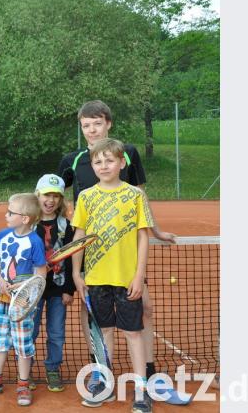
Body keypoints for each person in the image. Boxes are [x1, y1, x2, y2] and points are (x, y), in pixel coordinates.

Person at [56, 100, 187, 404]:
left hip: (126, 253)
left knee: (144, 310)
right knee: (95, 318)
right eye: (86, 125)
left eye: (97, 124)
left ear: (108, 124)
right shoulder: (72, 160)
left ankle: (149, 377)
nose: (91, 130)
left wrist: (154, 231)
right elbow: (54, 196)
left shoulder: (126, 152)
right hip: (89, 249)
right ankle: (102, 375)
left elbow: (141, 195)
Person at [70, 138, 151, 412]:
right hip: (95, 279)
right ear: (92, 166)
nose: (104, 165)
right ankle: (104, 383)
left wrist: (138, 276)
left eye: (109, 160)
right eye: (98, 161)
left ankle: (141, 391)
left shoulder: (135, 196)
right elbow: (79, 236)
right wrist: (76, 274)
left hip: (127, 279)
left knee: (133, 333)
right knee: (103, 332)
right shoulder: (86, 197)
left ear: (121, 163)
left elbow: (143, 237)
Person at [0, 193, 47, 407]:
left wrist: (26, 292)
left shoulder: (35, 242)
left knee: (23, 344)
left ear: (25, 218)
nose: (6, 214)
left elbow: (41, 275)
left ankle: (23, 384)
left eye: (11, 212)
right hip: (2, 300)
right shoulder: (3, 235)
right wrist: (1, 281)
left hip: (23, 304)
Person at [31, 174, 76, 393]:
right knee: (30, 331)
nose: (51, 200)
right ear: (37, 195)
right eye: (47, 195)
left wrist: (69, 289)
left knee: (56, 332)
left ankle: (53, 368)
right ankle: (25, 370)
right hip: (33, 288)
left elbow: (70, 257)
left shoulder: (65, 225)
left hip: (58, 288)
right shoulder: (28, 224)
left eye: (56, 196)